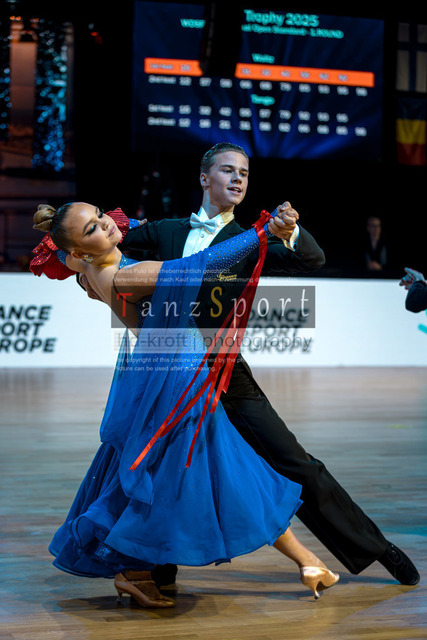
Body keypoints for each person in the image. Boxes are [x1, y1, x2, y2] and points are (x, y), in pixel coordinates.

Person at [79, 143, 420, 588]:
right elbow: (98, 245)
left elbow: (310, 259)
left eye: (244, 172)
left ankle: (376, 548)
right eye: (227, 170)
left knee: (296, 463)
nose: (238, 178)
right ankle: (159, 566)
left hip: (223, 372)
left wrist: (291, 230)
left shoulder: (251, 241)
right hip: (166, 374)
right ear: (204, 178)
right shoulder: (164, 231)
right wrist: (83, 266)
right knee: (163, 467)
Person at [31, 200, 341, 607]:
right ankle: (306, 561)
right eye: (91, 229)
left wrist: (107, 229)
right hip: (179, 383)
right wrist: (262, 233)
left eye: (100, 216)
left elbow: (62, 254)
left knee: (200, 472)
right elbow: (203, 264)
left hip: (165, 376)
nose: (105, 225)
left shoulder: (83, 266)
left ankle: (139, 573)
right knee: (228, 471)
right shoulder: (125, 276)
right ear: (80, 251)